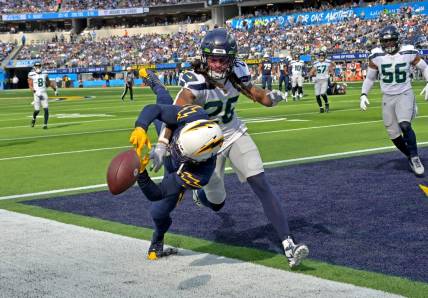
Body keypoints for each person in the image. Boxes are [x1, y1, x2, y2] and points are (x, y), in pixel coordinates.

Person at [150, 28, 309, 268]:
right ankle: (200, 194)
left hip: (233, 133)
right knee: (217, 203)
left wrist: (270, 97)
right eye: (212, 59)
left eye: (222, 59)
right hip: (206, 144)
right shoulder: (194, 80)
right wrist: (162, 144)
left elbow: (255, 93)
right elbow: (173, 115)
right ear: (204, 58)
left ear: (231, 59)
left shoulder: (237, 71)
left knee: (260, 182)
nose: (216, 64)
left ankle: (288, 244)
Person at [130, 73, 224, 260]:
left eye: (181, 151)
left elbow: (155, 193)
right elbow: (154, 109)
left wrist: (140, 173)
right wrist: (141, 127)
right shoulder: (195, 114)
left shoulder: (199, 174)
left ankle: (157, 238)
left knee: (157, 211)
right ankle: (155, 82)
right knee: (164, 102)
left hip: (178, 171)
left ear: (198, 159)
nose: (174, 150)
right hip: (175, 134)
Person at [360, 25, 428, 176]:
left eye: (391, 41)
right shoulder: (376, 56)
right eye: (386, 41)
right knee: (393, 134)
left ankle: (415, 157)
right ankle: (410, 156)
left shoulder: (408, 51)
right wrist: (363, 94)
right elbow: (370, 78)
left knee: (404, 124)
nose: (389, 44)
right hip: (387, 96)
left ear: (397, 40)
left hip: (405, 92)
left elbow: (424, 68)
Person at [28, 62, 57, 129]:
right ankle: (34, 118)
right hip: (36, 94)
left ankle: (45, 124)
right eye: (36, 66)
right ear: (34, 66)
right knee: (37, 110)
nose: (38, 67)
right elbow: (30, 85)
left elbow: (48, 82)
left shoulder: (45, 73)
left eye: (39, 66)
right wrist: (35, 92)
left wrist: (55, 89)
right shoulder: (31, 74)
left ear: (41, 66)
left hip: (44, 93)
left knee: (46, 109)